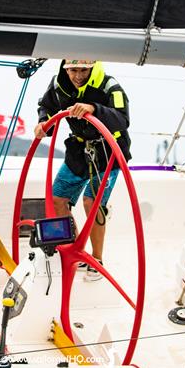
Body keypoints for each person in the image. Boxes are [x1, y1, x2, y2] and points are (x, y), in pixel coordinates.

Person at [34, 59, 131, 281]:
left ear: (92, 68)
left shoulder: (110, 87)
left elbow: (123, 120)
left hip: (108, 152)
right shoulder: (59, 85)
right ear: (65, 69)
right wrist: (43, 124)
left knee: (92, 202)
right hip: (78, 149)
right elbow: (46, 106)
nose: (78, 76)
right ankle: (75, 252)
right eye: (73, 70)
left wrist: (94, 108)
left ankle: (97, 260)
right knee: (57, 198)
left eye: (83, 70)